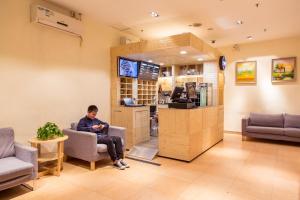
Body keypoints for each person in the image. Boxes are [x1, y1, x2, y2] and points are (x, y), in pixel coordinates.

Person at [77, 105, 129, 170]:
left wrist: (103, 126)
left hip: (103, 136)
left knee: (118, 139)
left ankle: (120, 159)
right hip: (95, 138)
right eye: (93, 114)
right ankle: (115, 161)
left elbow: (106, 124)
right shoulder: (83, 120)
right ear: (88, 112)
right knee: (109, 140)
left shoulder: (96, 120)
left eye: (95, 114)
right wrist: (91, 128)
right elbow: (79, 129)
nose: (94, 116)